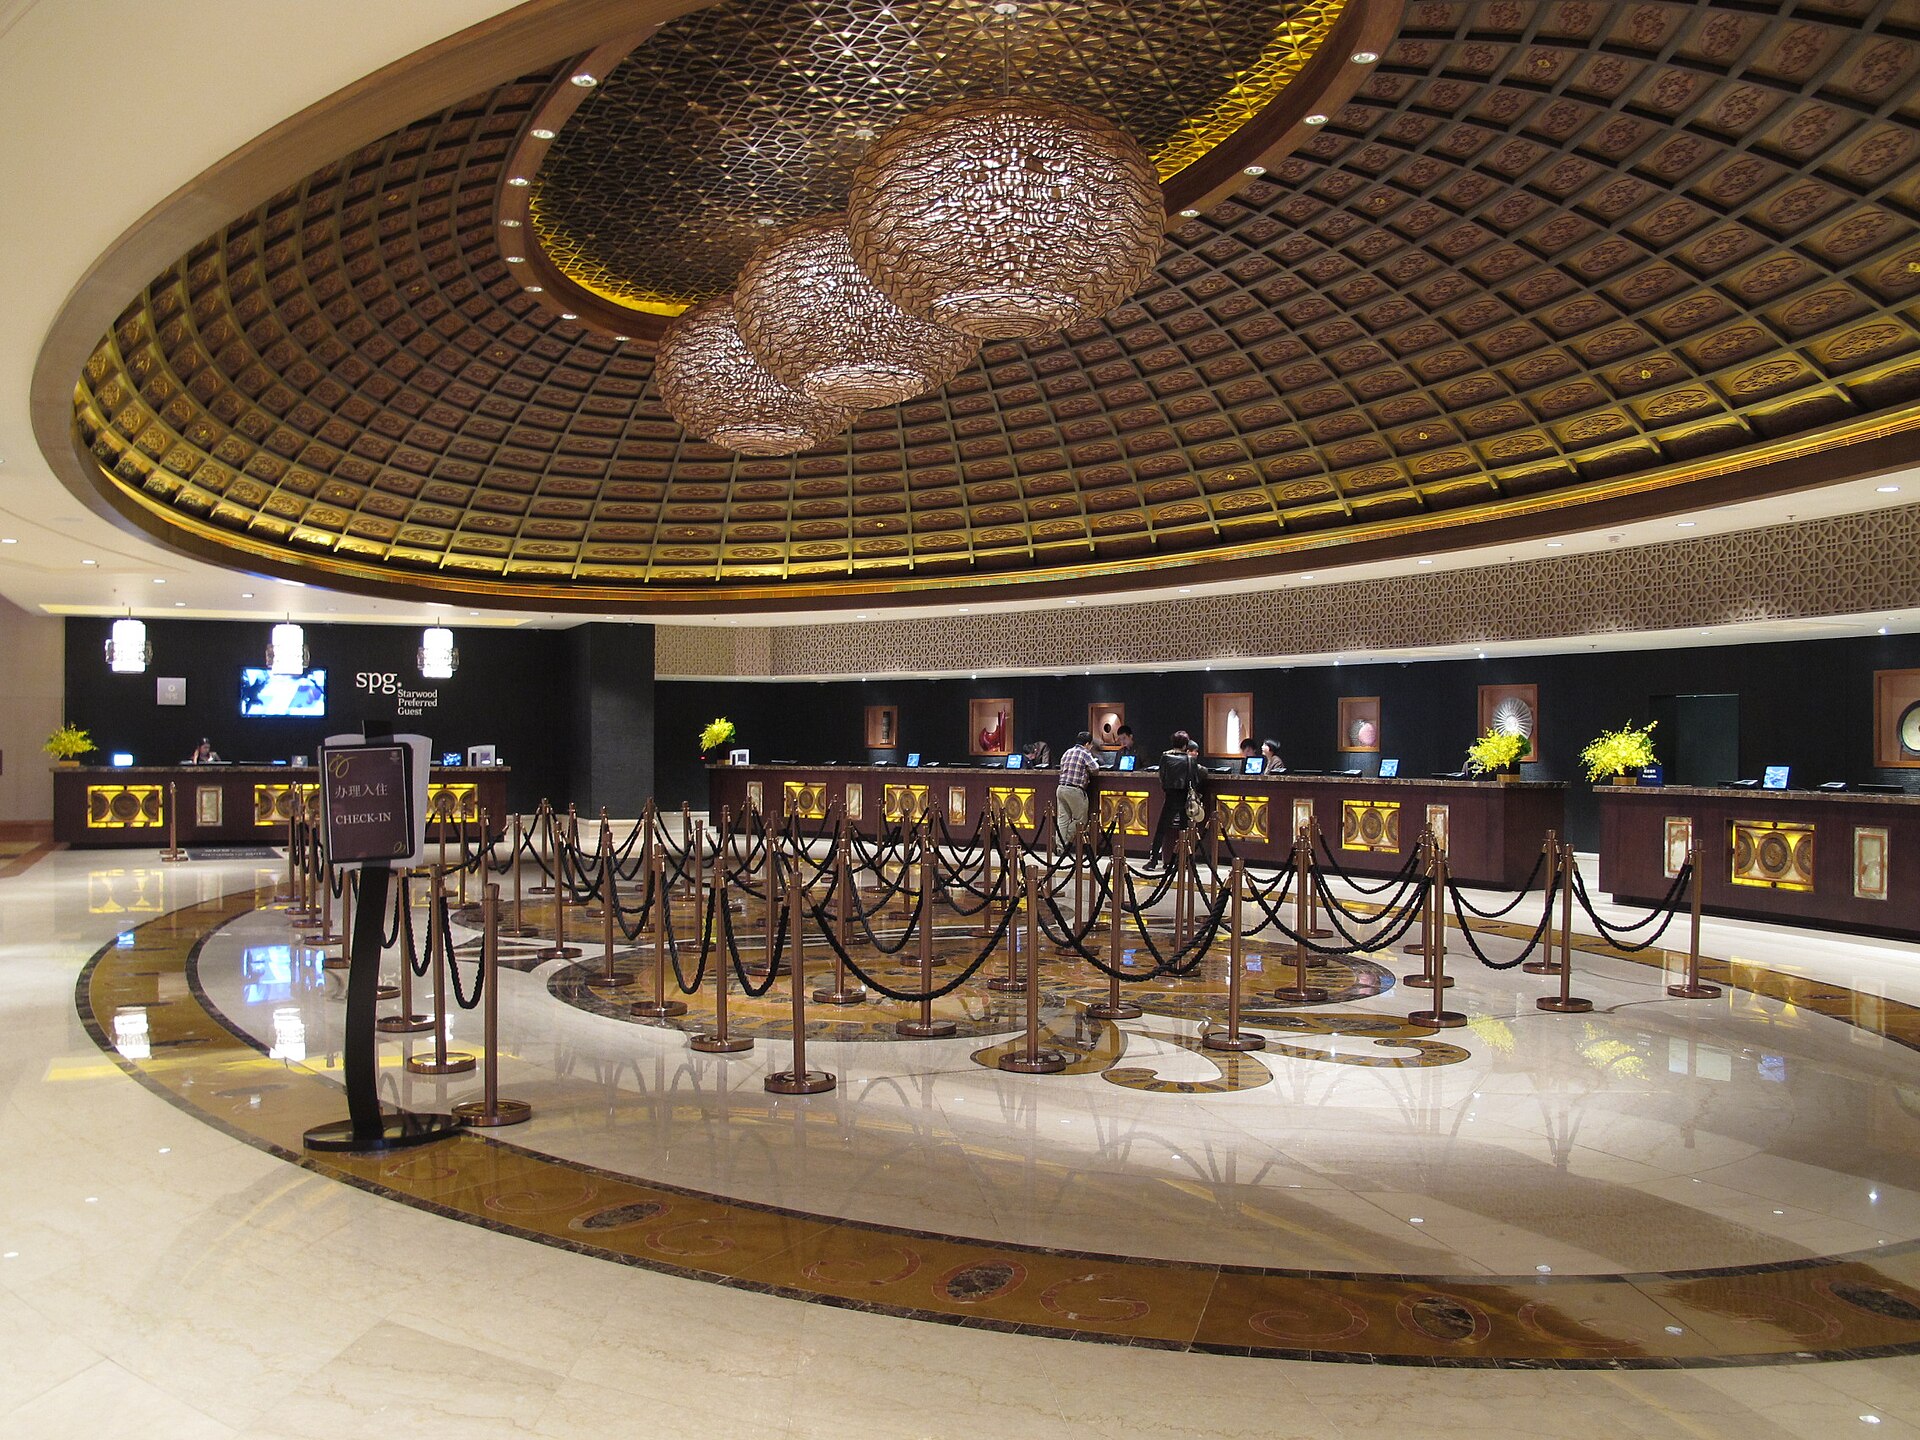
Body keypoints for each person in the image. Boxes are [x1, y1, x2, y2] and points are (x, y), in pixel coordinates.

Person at [1146, 729, 1203, 871]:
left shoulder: (1165, 757)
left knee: (1161, 829)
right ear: (1185, 745)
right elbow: (1195, 779)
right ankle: (1183, 860)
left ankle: (1153, 861)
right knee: (1184, 830)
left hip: (1171, 796)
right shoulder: (1190, 760)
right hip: (1185, 798)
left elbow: (1162, 777)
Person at [1054, 730, 1099, 854]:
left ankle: (1059, 847)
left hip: (1061, 788)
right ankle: (1066, 842)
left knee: (1062, 819)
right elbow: (1095, 769)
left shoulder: (1067, 752)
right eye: (1091, 745)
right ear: (1087, 744)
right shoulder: (1085, 753)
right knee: (1081, 819)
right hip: (1074, 790)